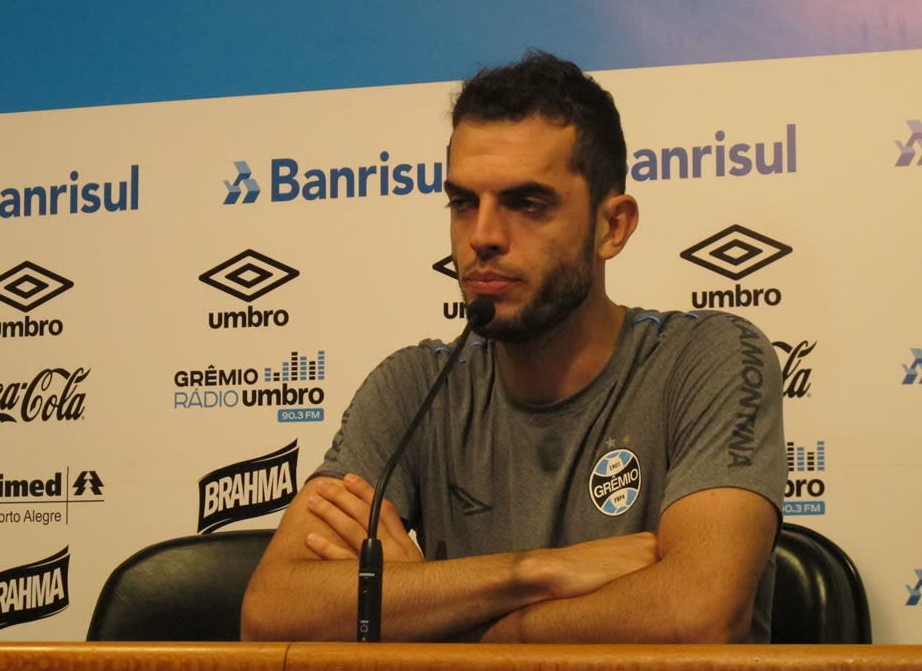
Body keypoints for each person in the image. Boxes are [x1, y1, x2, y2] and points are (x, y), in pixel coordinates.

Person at [241, 50, 786, 643]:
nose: (483, 237)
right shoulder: (414, 386)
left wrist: (445, 618)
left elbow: (698, 614)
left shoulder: (708, 357)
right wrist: (537, 573)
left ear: (613, 226)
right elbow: (273, 612)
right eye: (463, 202)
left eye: (527, 204)